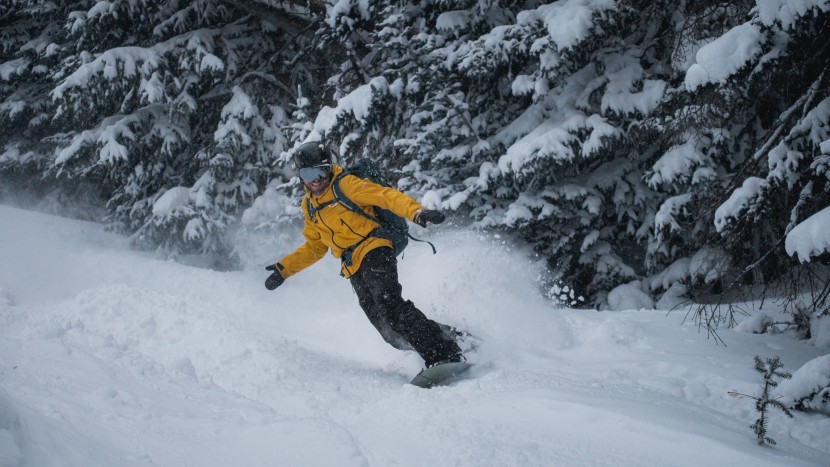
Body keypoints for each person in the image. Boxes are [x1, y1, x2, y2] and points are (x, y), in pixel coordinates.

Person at [264, 141, 464, 368]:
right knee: (388, 332)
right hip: (352, 265)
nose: (316, 179)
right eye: (308, 173)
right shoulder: (309, 206)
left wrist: (416, 211)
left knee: (392, 308)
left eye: (321, 171)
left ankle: (444, 354)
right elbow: (315, 246)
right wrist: (283, 270)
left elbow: (385, 196)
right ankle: (450, 338)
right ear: (301, 176)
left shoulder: (346, 185)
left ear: (329, 168)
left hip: (374, 248)